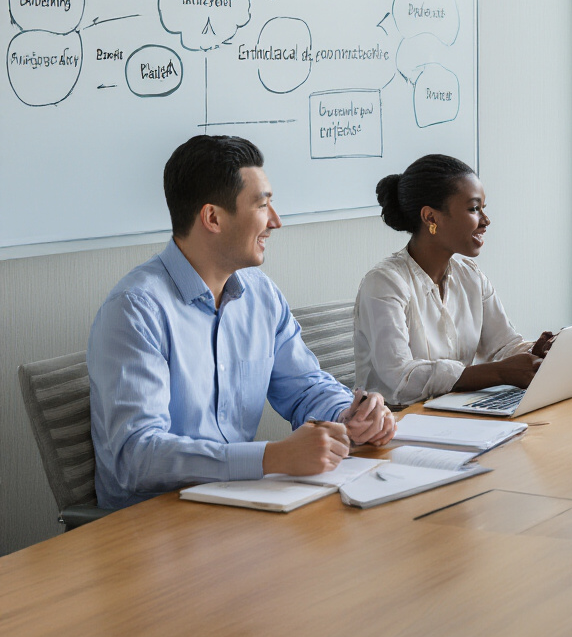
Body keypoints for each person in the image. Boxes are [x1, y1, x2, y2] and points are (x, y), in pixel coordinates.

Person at [90, 136, 396, 510]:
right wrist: (270, 458)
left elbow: (304, 388)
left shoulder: (260, 294)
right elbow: (135, 455)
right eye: (263, 204)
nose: (276, 221)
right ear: (213, 218)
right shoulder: (135, 310)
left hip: (237, 505)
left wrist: (350, 414)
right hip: (153, 522)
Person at [353, 154, 553, 407]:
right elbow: (400, 380)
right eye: (473, 208)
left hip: (456, 414)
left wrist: (535, 351)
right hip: (395, 425)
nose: (485, 221)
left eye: (483, 208)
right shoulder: (384, 283)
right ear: (431, 218)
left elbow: (503, 346)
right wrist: (498, 373)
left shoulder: (470, 276)